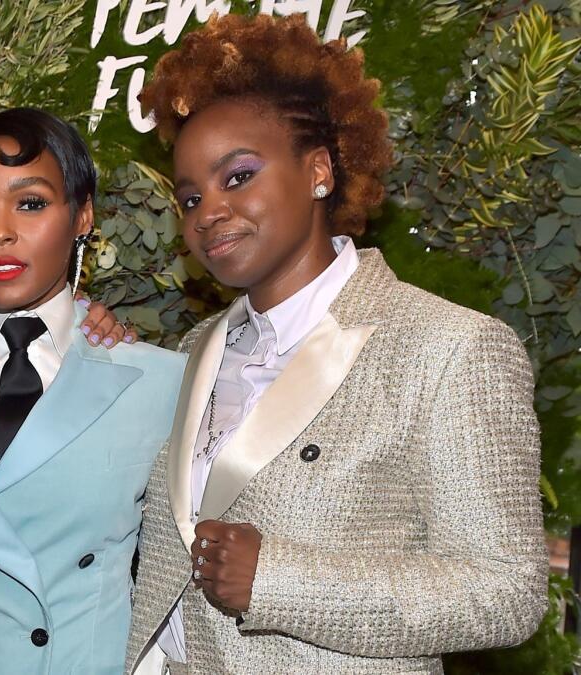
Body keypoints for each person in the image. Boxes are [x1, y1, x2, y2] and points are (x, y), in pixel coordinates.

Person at [125, 14, 547, 674]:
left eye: (237, 177)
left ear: (319, 170)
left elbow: (508, 592)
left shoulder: (450, 349)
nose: (207, 211)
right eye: (188, 197)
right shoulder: (193, 350)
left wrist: (279, 580)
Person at [0, 107, 187, 675]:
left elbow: (177, 581)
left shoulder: (158, 381)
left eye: (30, 203)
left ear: (83, 217)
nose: (0, 231)